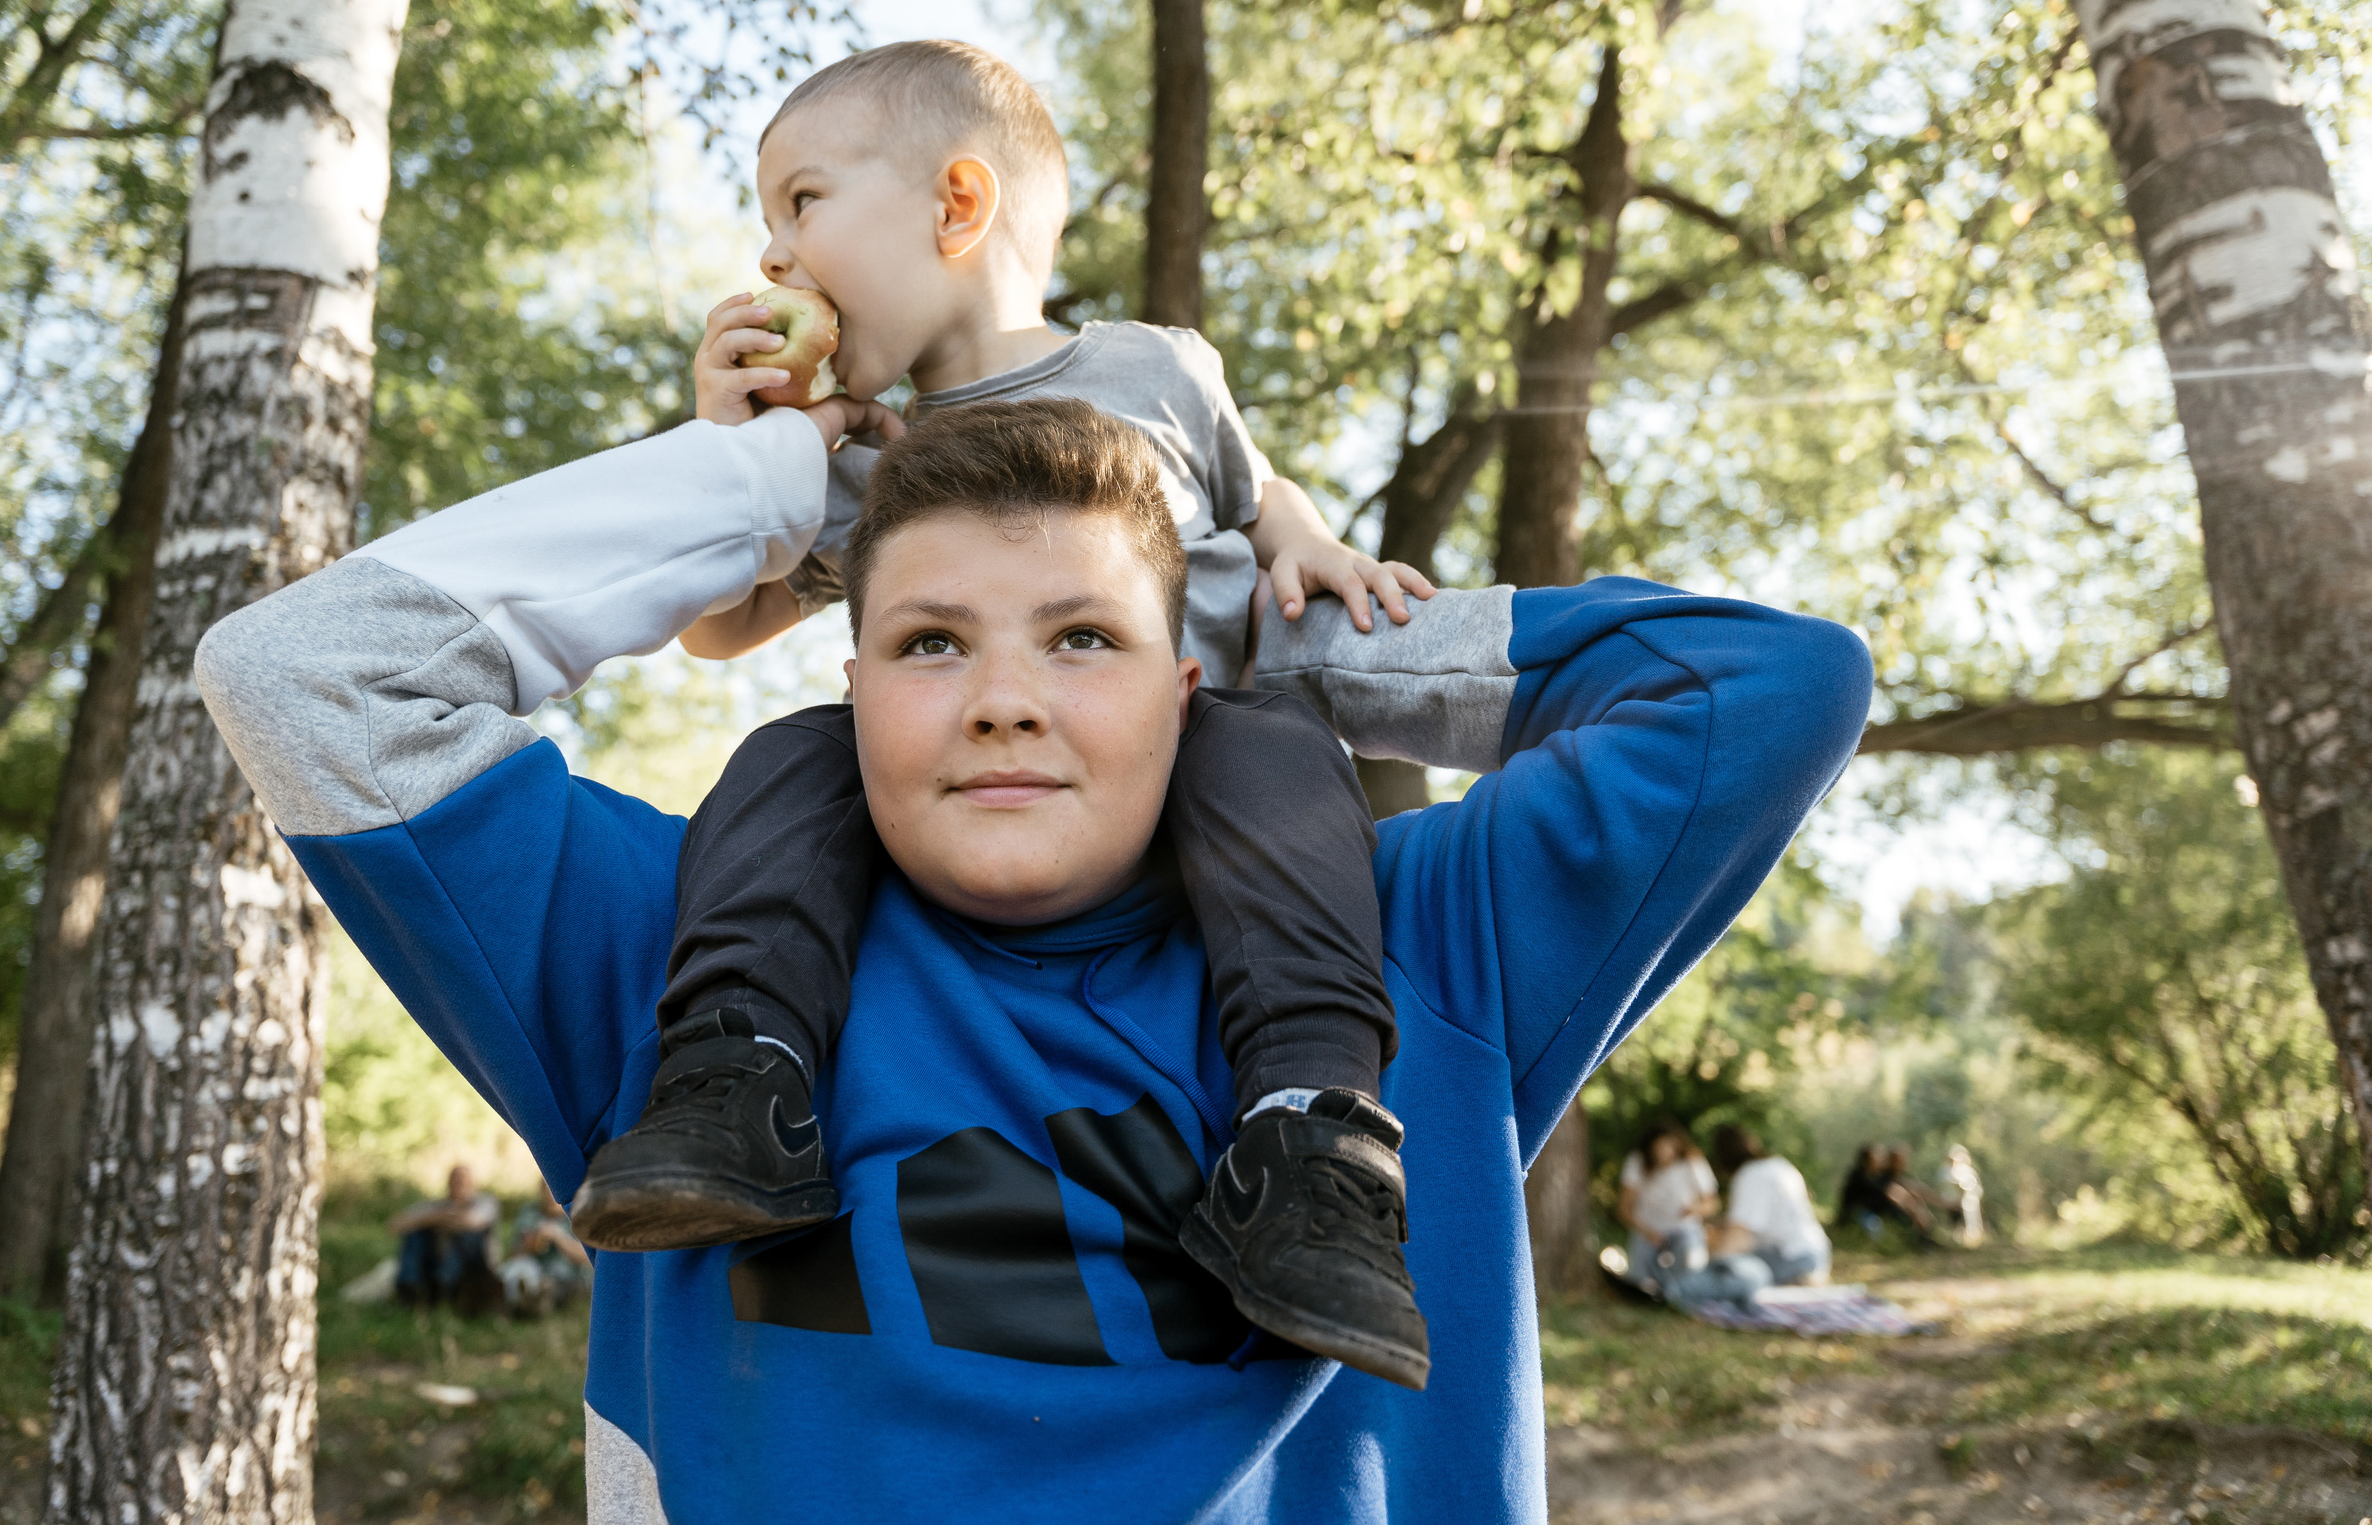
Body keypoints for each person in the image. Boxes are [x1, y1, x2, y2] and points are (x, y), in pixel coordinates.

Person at [193, 390, 1872, 1521]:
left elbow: (1771, 687)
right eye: (931, 642)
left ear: (1189, 690)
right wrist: (763, 485)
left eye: (1084, 638)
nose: (1004, 699)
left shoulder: (1412, 942)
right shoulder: (679, 955)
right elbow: (302, 675)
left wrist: (1303, 631)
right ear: (851, 689)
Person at [567, 41, 1442, 1387]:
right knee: (796, 750)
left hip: (1195, 764)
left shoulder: (1154, 370)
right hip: (991, 802)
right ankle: (738, 1075)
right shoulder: (861, 456)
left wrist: (1314, 550)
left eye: (802, 202)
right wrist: (737, 453)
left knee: (1274, 745)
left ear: (957, 204)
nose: (775, 256)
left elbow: (1258, 494)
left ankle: (1310, 1135)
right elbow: (718, 628)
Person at [1709, 1126, 1831, 1286]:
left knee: (1729, 1271)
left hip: (1793, 1257)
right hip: (1816, 1252)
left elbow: (1737, 1236)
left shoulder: (1750, 1175)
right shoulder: (1780, 1165)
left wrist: (1710, 1264)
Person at [1617, 1122, 1717, 1292]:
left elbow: (1712, 1203)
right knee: (1638, 1283)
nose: (1663, 1153)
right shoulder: (1637, 1161)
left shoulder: (1692, 1161)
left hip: (1684, 1230)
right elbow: (1624, 1209)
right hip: (1647, 1230)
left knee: (1689, 1272)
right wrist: (1647, 1232)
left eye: (1668, 1146)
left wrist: (1696, 1209)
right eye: (1658, 1148)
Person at [391, 1165, 500, 1311]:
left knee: (466, 1236)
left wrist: (436, 1220)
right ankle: (408, 1286)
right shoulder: (437, 1205)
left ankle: (442, 1286)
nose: (459, 1184)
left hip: (476, 1268)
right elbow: (395, 1225)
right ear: (448, 1183)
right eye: (455, 1180)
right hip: (436, 1262)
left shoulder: (486, 1203)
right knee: (415, 1235)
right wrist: (438, 1218)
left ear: (473, 1184)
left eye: (463, 1181)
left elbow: (471, 1221)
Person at [502, 1183, 593, 1316]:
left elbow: (587, 1258)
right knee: (519, 1273)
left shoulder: (578, 1213)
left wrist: (557, 1237)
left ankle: (532, 1302)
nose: (551, 1198)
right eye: (548, 1192)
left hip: (569, 1277)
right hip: (534, 1272)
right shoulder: (529, 1212)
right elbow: (514, 1254)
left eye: (555, 1193)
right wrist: (533, 1242)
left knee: (552, 1285)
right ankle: (526, 1300)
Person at [1943, 1143, 1985, 1245]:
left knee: (1971, 1216)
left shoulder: (1969, 1171)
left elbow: (1975, 1188)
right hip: (1952, 1202)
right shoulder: (1947, 1171)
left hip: (1969, 1201)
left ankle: (1972, 1236)